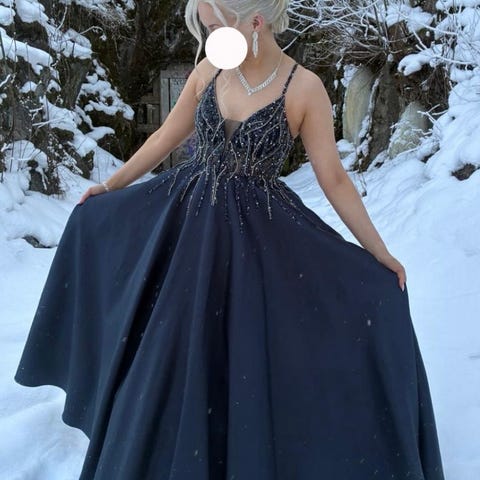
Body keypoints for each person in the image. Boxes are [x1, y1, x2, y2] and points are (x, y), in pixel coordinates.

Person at [14, 0, 446, 478]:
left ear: (254, 22)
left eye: (215, 27)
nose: (208, 39)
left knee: (245, 354)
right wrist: (111, 186)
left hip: (257, 242)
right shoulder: (209, 71)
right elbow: (164, 138)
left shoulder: (304, 88)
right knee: (169, 354)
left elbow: (335, 179)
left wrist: (378, 253)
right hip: (187, 232)